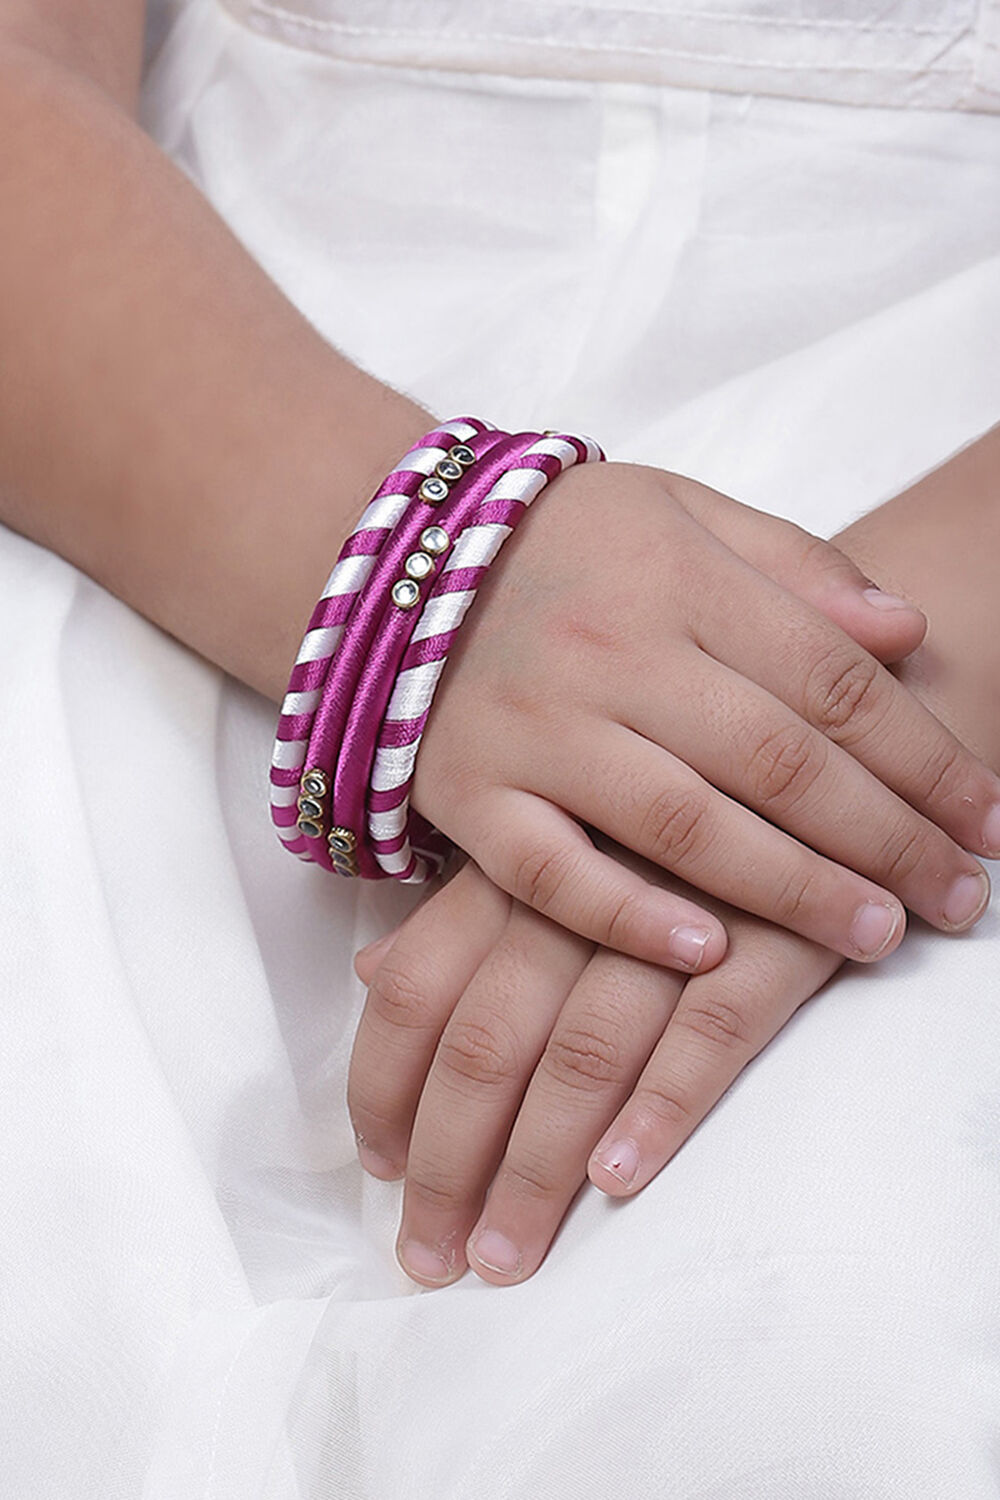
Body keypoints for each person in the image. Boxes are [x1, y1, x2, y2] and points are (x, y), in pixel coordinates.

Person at [1, 0, 998, 1495]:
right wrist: (425, 571)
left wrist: (818, 721)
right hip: (141, 342)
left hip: (947, 534)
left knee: (828, 1339)